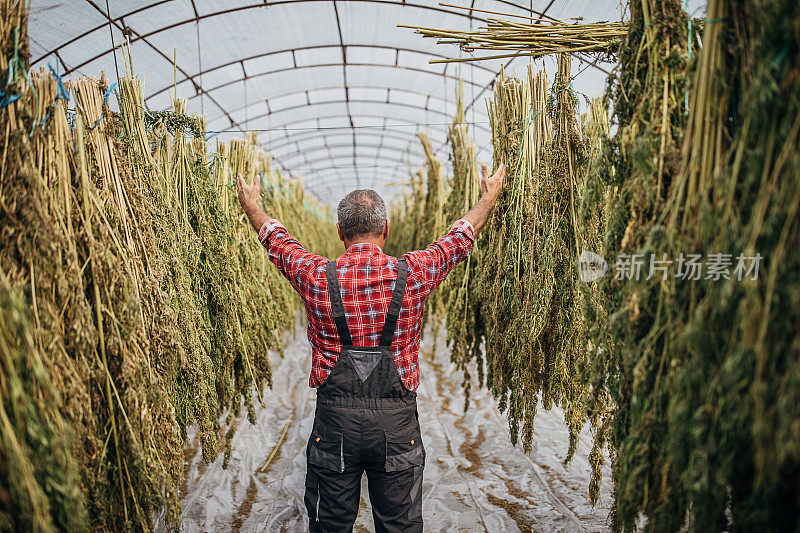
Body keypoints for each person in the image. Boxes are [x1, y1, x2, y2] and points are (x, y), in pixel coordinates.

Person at [236, 162, 506, 532]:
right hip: (396, 428)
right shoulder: (413, 274)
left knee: (330, 525)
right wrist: (487, 197)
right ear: (387, 229)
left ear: (339, 233)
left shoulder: (317, 276)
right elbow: (456, 241)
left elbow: (280, 243)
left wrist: (252, 206)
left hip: (334, 426)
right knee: (399, 526)